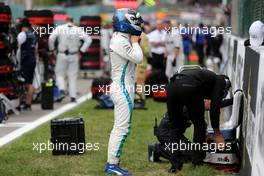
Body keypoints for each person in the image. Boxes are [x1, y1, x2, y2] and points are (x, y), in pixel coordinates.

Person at [165, 67, 231, 172]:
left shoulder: (205, 78)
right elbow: (214, 109)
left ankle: (175, 166)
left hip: (172, 85)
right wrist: (217, 133)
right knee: (199, 124)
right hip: (189, 85)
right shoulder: (220, 81)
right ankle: (197, 162)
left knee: (174, 126)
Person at [105, 8, 143, 175]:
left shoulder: (121, 37)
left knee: (121, 128)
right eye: (135, 21)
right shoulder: (120, 40)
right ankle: (112, 165)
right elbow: (138, 58)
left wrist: (134, 41)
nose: (139, 24)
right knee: (122, 128)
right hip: (122, 88)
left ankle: (113, 163)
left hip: (122, 87)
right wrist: (135, 42)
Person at [151, 96, 234, 173]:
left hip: (175, 133)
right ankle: (157, 149)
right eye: (209, 102)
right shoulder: (191, 107)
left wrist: (232, 100)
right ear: (204, 101)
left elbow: (203, 124)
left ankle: (164, 149)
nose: (211, 105)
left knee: (195, 153)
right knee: (191, 156)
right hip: (166, 133)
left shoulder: (196, 104)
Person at [49, 17, 91, 102]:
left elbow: (51, 38)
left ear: (66, 21)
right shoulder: (78, 30)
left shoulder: (60, 28)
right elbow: (88, 40)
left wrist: (52, 49)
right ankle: (73, 96)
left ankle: (61, 88)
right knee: (72, 76)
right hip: (74, 54)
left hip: (62, 54)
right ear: (73, 21)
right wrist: (82, 50)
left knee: (59, 73)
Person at [16, 17, 38, 110]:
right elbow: (36, 50)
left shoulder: (22, 34)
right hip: (32, 59)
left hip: (25, 60)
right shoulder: (33, 35)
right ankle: (28, 104)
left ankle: (22, 102)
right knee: (30, 82)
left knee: (22, 82)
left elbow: (16, 47)